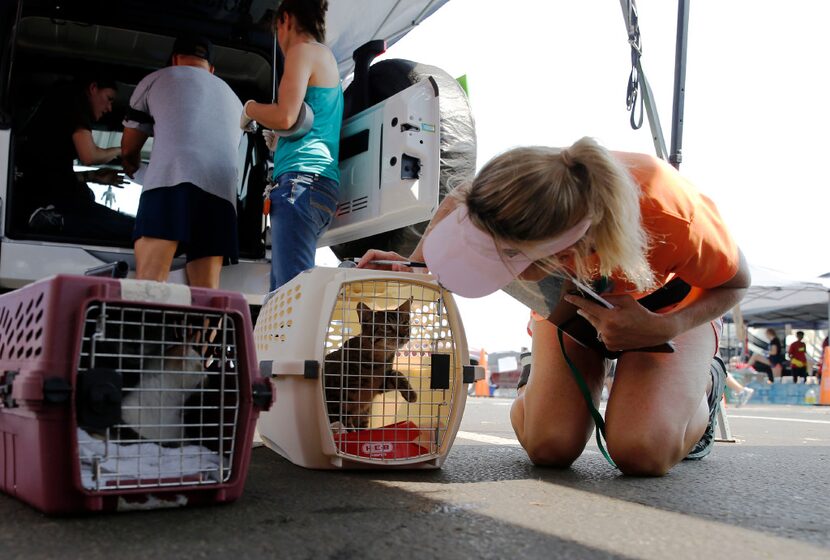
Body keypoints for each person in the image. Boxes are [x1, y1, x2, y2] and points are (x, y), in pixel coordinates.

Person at [358, 137, 751, 476]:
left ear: (563, 252)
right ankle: (541, 374)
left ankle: (706, 381)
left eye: (506, 259)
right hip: (574, 308)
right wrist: (416, 266)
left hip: (667, 312)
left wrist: (665, 329)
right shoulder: (521, 184)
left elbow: (736, 282)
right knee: (549, 446)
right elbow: (464, 193)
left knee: (642, 452)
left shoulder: (669, 211)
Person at [121, 36, 243, 289]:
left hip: (170, 183)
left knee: (150, 285)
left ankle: (149, 327)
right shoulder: (233, 97)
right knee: (206, 294)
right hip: (221, 194)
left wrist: (130, 164)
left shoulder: (157, 78)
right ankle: (204, 330)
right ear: (211, 69)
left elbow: (129, 148)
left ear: (174, 60)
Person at [240, 0, 343, 291]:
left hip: (299, 184)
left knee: (289, 296)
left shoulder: (301, 51)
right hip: (320, 187)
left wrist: (250, 109)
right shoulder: (326, 58)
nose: (279, 42)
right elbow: (306, 122)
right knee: (286, 293)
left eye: (277, 31)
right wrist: (280, 141)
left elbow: (285, 116)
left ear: (284, 20)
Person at [15, 73, 134, 239]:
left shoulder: (58, 106)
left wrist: (94, 177)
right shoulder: (73, 100)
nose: (109, 108)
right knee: (132, 229)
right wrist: (124, 150)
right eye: (109, 98)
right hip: (43, 200)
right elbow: (90, 156)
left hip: (41, 191)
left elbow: (53, 174)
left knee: (98, 205)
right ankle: (54, 220)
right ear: (93, 88)